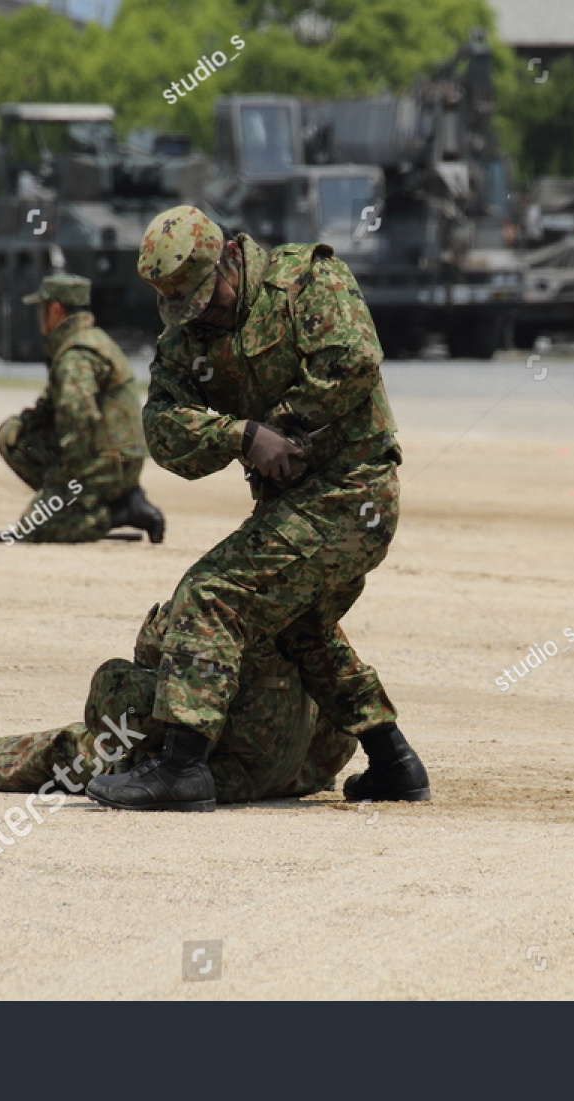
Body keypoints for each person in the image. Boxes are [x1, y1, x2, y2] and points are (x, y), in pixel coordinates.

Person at [82, 205, 429, 813]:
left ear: (230, 259)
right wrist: (239, 437)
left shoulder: (308, 280)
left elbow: (351, 360)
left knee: (213, 591)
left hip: (354, 491)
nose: (201, 314)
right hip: (295, 505)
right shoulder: (188, 335)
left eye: (206, 298)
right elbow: (162, 429)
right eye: (184, 306)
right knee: (298, 627)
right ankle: (393, 759)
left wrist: (283, 431)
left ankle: (182, 767)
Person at [0, 603, 355, 809]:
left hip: (220, 772)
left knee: (75, 745)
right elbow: (349, 695)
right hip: (296, 773)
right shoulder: (314, 602)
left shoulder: (213, 599)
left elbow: (126, 692)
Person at [0, 272, 165, 544]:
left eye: (42, 309)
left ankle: (114, 511)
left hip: (105, 465)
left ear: (55, 310)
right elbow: (47, 409)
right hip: (116, 460)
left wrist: (67, 476)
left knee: (33, 528)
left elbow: (79, 417)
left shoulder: (76, 354)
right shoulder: (89, 341)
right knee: (14, 437)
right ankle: (70, 499)